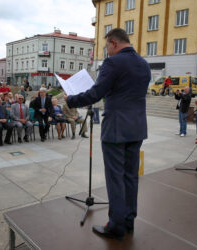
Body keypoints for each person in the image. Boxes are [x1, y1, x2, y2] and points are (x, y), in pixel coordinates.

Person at [64, 28, 151, 240]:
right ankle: (129, 220)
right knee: (131, 176)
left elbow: (96, 93)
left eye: (106, 47)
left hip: (116, 128)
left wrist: (71, 99)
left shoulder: (113, 63)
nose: (106, 52)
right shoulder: (143, 64)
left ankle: (116, 225)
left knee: (115, 178)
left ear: (113, 43)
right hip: (137, 127)